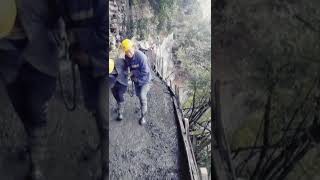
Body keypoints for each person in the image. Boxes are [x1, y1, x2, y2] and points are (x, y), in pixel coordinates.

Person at [0, 1, 62, 179]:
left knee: (36, 110)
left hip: (40, 53)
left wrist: (62, 29)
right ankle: (32, 142)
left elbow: (61, 8)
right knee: (23, 110)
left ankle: (37, 167)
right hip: (7, 58)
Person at [56, 1, 109, 179]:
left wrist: (75, 35)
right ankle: (102, 144)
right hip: (84, 63)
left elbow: (106, 35)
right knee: (94, 109)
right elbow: (60, 18)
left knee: (104, 115)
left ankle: (106, 168)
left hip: (105, 64)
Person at [121, 39, 152, 125]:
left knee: (142, 96)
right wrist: (126, 73)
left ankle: (143, 117)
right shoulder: (127, 57)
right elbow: (127, 66)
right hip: (136, 80)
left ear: (133, 48)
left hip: (145, 80)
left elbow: (145, 72)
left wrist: (133, 73)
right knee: (138, 95)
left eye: (129, 51)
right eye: (126, 52)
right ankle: (141, 106)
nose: (128, 53)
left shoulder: (141, 57)